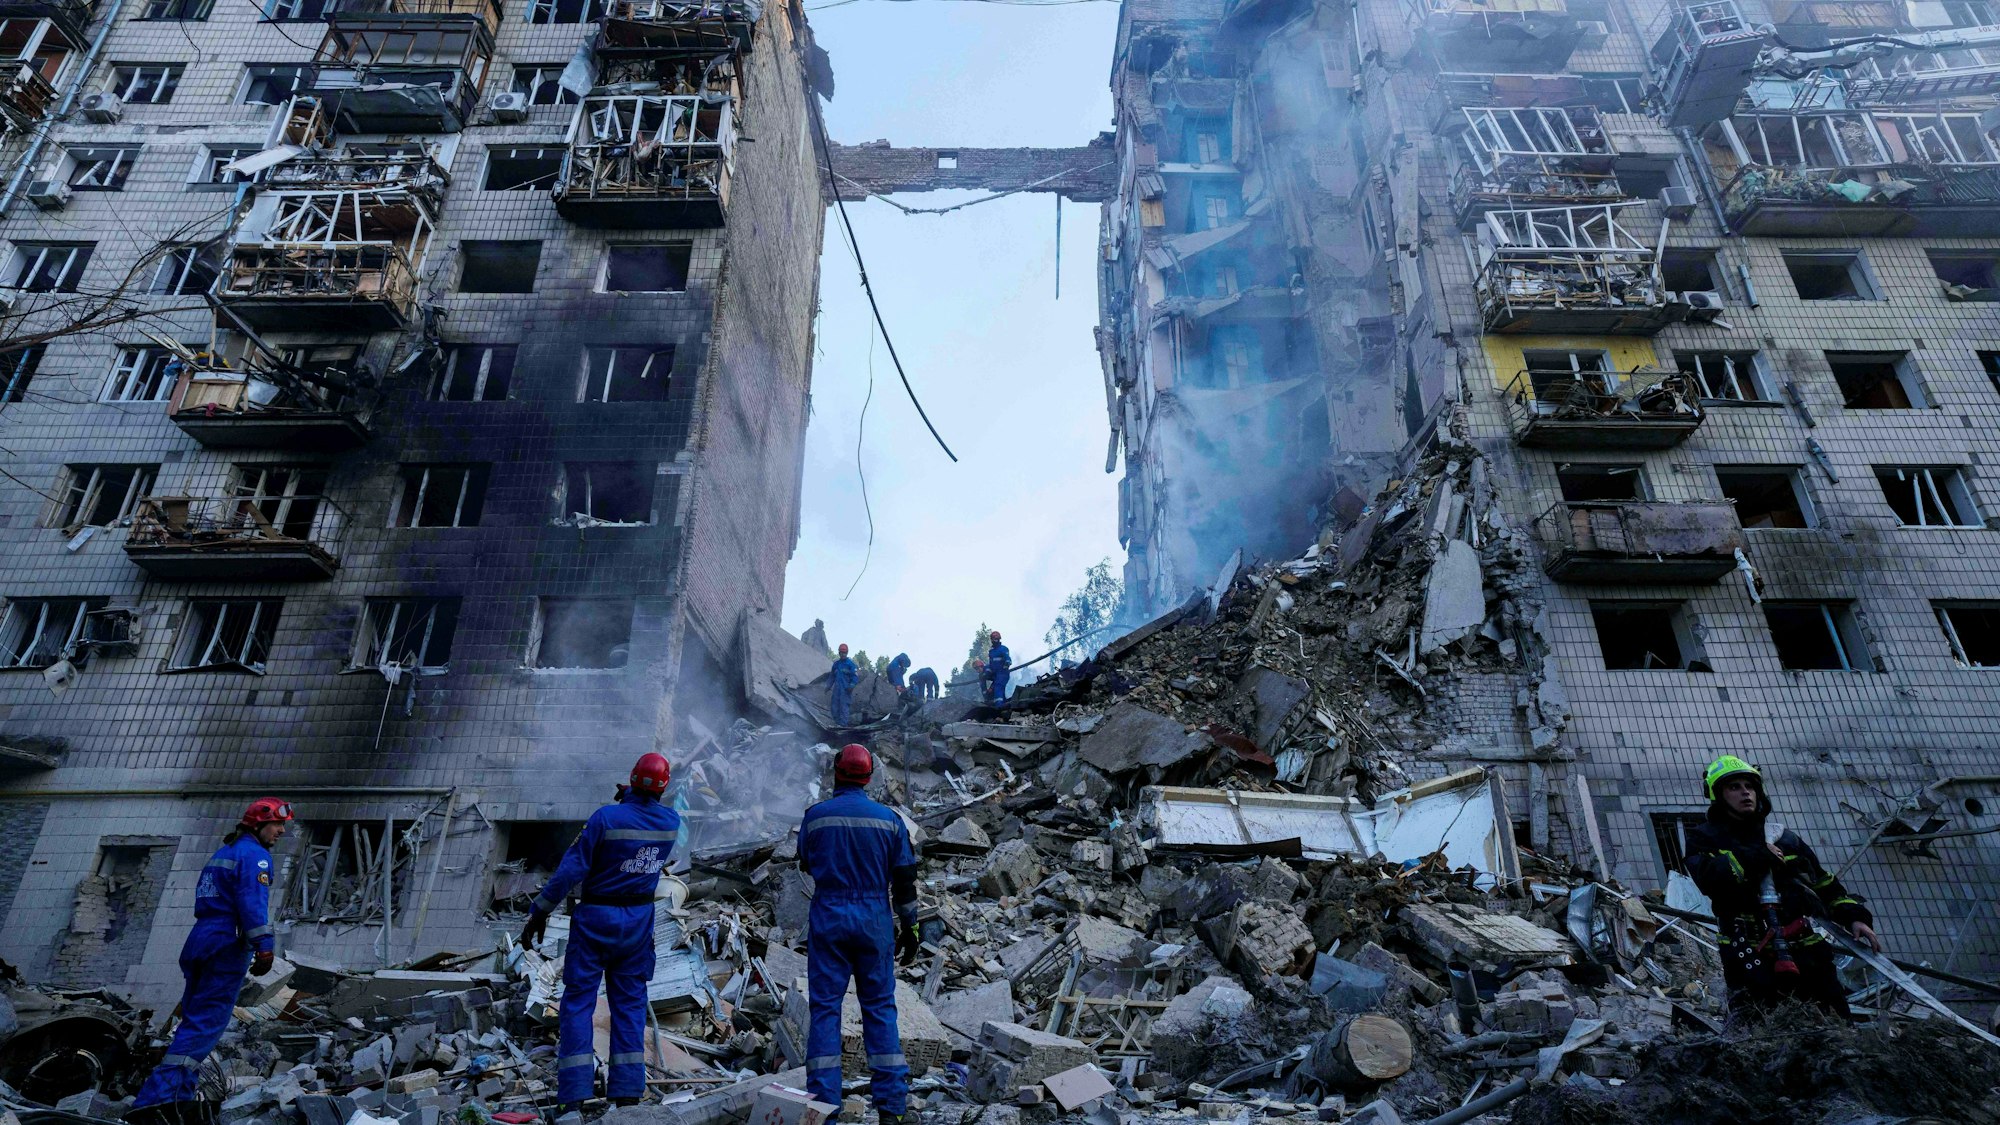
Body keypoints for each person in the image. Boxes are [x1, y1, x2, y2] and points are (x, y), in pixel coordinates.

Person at [520, 754, 681, 1110]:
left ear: (631, 778)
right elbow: (642, 834)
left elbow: (569, 870)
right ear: (664, 787)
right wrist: (634, 800)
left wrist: (539, 912)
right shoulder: (671, 822)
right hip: (638, 924)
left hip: (596, 920)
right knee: (630, 1004)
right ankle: (625, 1092)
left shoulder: (605, 818)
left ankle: (574, 1096)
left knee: (578, 1003)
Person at [1685, 755, 1879, 1021]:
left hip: (1806, 950)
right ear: (1718, 794)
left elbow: (1823, 883)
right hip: (1749, 953)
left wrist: (1855, 917)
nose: (1745, 792)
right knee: (1763, 1033)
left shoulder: (1783, 837)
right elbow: (1709, 878)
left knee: (1834, 1025)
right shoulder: (1704, 837)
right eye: (1734, 787)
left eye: (1749, 786)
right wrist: (1755, 856)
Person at [132, 798, 293, 1112]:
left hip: (200, 940)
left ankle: (179, 1097)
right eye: (277, 824)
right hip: (225, 944)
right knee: (205, 1025)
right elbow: (251, 903)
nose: (281, 831)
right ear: (258, 824)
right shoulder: (256, 857)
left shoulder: (224, 853)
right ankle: (157, 1102)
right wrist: (264, 947)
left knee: (194, 1021)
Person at [799, 745, 921, 1125]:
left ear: (836, 773)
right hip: (873, 919)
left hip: (830, 915)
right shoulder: (890, 820)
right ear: (869, 778)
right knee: (880, 1009)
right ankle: (892, 1110)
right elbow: (904, 880)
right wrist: (911, 927)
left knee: (824, 1012)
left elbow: (805, 860)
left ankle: (823, 1110)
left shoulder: (815, 818)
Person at [830, 644, 860, 725]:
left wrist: (852, 685)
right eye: (841, 652)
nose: (843, 654)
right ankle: (836, 724)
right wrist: (828, 686)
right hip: (836, 690)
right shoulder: (836, 664)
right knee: (834, 708)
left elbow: (855, 677)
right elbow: (832, 676)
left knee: (844, 708)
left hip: (845, 691)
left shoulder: (851, 665)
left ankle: (843, 727)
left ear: (847, 653)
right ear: (839, 653)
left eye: (844, 653)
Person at [985, 631, 1012, 703]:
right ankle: (1003, 704)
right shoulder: (991, 652)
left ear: (999, 639)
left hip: (1003, 673)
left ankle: (999, 706)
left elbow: (1007, 658)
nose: (995, 640)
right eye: (993, 639)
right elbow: (991, 664)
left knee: (998, 688)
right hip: (995, 675)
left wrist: (1007, 664)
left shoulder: (1003, 649)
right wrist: (988, 673)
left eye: (996, 639)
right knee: (994, 690)